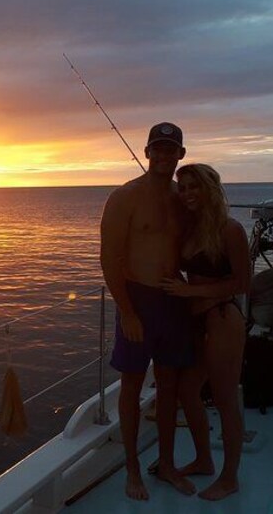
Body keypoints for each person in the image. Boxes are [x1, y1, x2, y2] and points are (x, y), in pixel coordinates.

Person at [100, 122, 195, 500]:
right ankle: (133, 471)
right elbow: (109, 260)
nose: (163, 156)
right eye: (157, 149)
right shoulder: (124, 197)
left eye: (170, 150)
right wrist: (127, 312)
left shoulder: (182, 197)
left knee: (169, 387)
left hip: (174, 302)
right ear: (146, 152)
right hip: (137, 301)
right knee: (132, 387)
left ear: (181, 155)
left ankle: (168, 465)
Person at [159, 163, 251, 501]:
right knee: (187, 390)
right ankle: (203, 459)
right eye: (182, 189)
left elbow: (242, 283)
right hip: (194, 321)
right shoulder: (191, 230)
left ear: (211, 188)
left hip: (222, 319)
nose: (187, 194)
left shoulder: (230, 230)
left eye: (193, 187)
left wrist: (190, 292)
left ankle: (230, 477)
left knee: (225, 400)